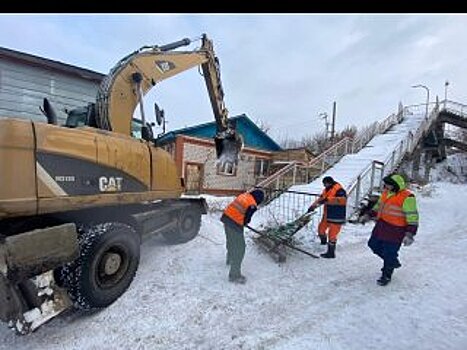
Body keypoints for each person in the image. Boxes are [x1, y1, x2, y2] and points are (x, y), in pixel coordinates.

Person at [367, 173, 419, 286]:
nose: (385, 187)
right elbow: (379, 205)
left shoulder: (407, 197)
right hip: (381, 226)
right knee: (373, 244)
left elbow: (412, 216)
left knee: (389, 252)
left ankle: (386, 274)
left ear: (395, 185)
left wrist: (410, 233)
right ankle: (393, 262)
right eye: (385, 184)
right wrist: (370, 214)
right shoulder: (386, 193)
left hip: (396, 230)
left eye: (388, 185)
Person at [221, 188, 264, 284]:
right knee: (240, 248)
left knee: (231, 240)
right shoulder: (252, 204)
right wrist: (244, 223)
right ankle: (234, 275)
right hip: (235, 224)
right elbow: (246, 219)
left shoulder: (243, 195)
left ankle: (230, 258)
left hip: (226, 218)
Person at [307, 176, 347, 258]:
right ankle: (323, 243)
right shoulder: (326, 190)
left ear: (330, 182)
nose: (324, 186)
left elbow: (342, 200)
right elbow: (321, 199)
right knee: (321, 229)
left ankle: (331, 253)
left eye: (325, 184)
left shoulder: (339, 190)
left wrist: (328, 200)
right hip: (327, 214)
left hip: (336, 215)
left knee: (332, 234)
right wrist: (313, 206)